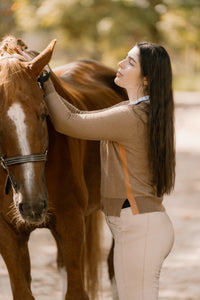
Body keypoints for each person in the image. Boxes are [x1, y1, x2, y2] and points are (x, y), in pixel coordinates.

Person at [20, 41, 175, 300]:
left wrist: (47, 80)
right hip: (139, 226)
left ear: (146, 80)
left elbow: (70, 122)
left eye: (130, 62)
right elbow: (78, 113)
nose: (120, 64)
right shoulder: (136, 110)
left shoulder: (131, 117)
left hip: (140, 228)